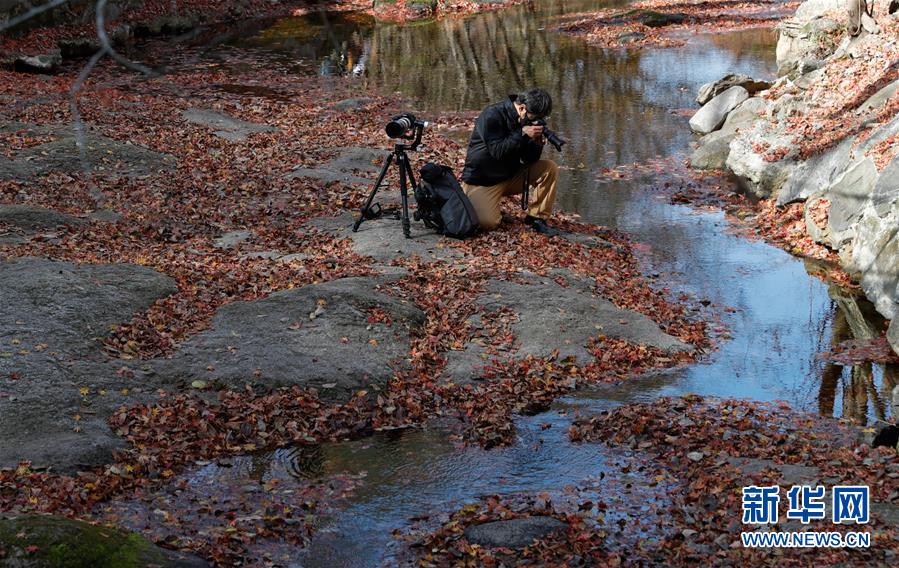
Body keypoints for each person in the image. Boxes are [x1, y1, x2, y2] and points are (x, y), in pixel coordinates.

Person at [460, 87, 560, 236]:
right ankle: (487, 204)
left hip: (510, 175)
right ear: (522, 108)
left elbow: (528, 160)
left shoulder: (526, 120)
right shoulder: (491, 115)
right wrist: (523, 134)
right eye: (535, 117)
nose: (537, 121)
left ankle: (536, 218)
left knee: (549, 168)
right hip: (483, 180)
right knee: (488, 223)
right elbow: (497, 151)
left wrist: (536, 144)